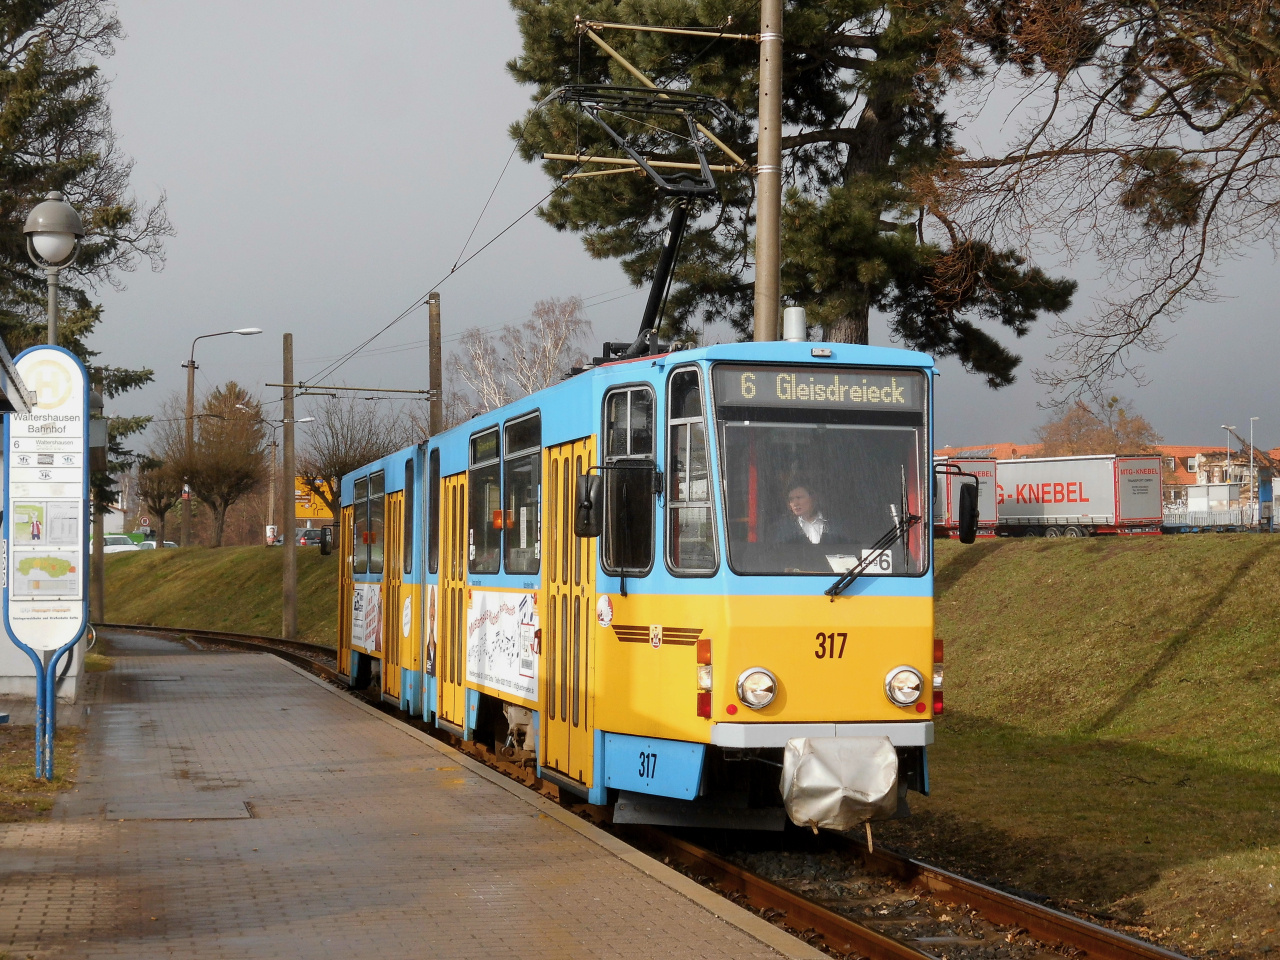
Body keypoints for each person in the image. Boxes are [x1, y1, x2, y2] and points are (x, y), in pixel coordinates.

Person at [774, 481, 849, 544]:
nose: (795, 503)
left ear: (813, 498)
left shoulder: (834, 524)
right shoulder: (785, 528)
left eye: (799, 497)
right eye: (791, 500)